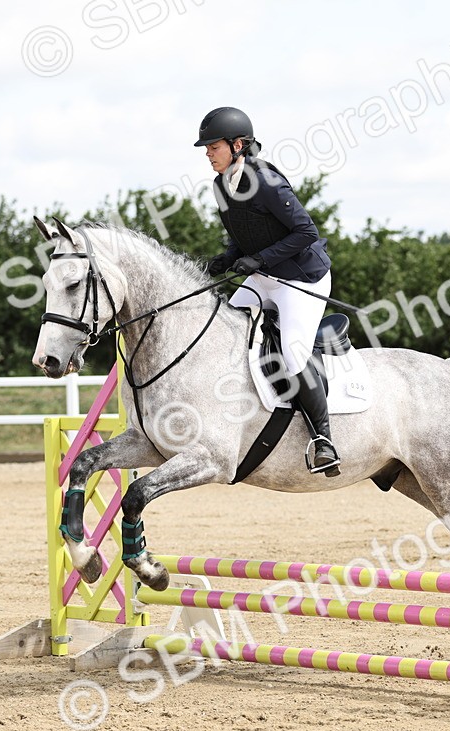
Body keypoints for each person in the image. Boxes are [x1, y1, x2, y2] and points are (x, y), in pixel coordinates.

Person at [195, 106, 341, 476]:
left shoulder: (267, 182)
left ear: (238, 144)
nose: (208, 153)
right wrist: (225, 260)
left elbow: (305, 233)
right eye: (207, 147)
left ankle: (323, 439)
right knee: (222, 330)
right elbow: (241, 237)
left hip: (300, 279)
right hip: (265, 275)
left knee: (293, 353)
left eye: (213, 146)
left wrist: (258, 260)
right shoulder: (221, 185)